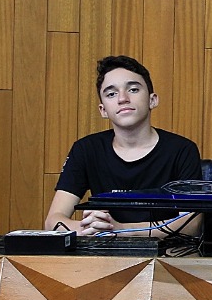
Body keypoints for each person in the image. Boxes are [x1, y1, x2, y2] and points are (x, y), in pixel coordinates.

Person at [44, 56, 203, 237]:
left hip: (166, 255)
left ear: (153, 100)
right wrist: (91, 228)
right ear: (103, 110)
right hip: (104, 255)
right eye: (111, 94)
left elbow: (192, 224)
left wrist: (120, 230)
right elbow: (53, 221)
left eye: (133, 89)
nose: (123, 98)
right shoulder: (86, 149)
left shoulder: (182, 149)